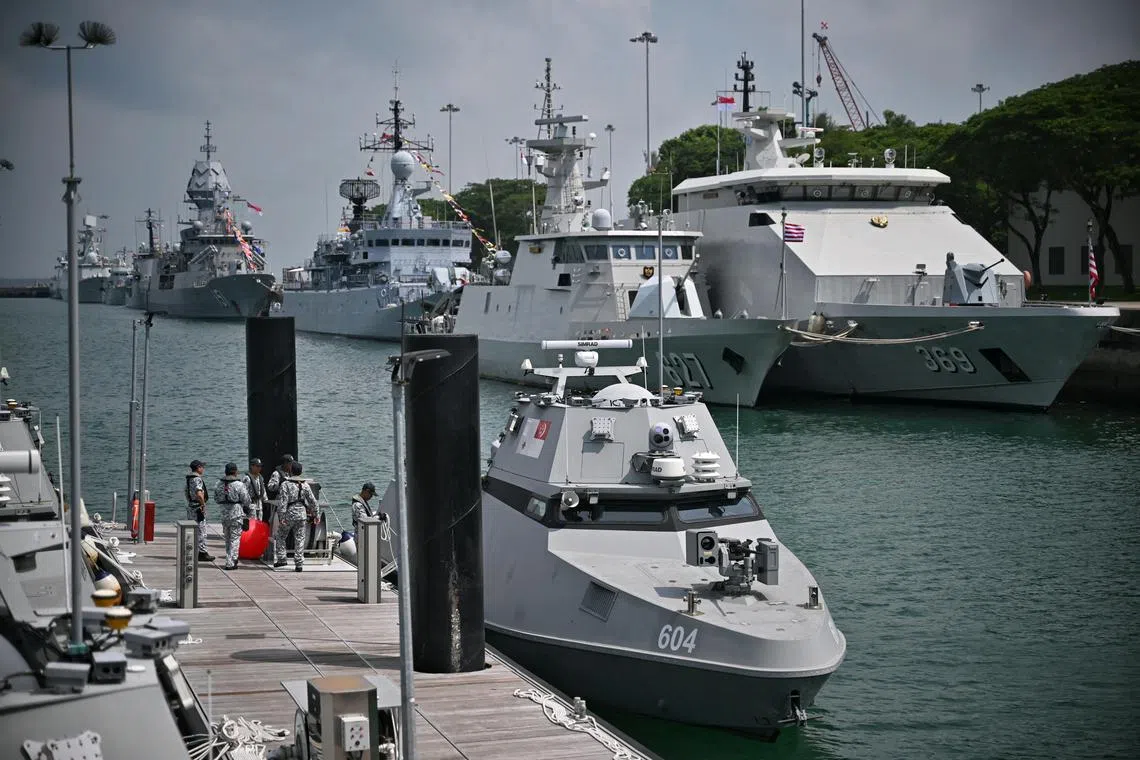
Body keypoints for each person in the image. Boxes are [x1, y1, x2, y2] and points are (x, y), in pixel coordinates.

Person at [274, 461, 317, 572]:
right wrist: (316, 514)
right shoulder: (305, 485)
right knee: (300, 538)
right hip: (302, 514)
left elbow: (283, 502)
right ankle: (299, 564)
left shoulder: (285, 484)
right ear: (301, 472)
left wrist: (281, 517)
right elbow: (313, 501)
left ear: (291, 471)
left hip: (289, 514)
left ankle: (282, 559)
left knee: (280, 536)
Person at [214, 463, 252, 570]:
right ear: (235, 472)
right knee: (235, 538)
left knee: (227, 538)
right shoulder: (239, 484)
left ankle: (229, 558)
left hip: (224, 513)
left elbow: (216, 499)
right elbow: (246, 500)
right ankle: (231, 561)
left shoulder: (218, 484)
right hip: (236, 514)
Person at [185, 460, 214, 561]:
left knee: (192, 529)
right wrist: (203, 505)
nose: (203, 469)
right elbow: (199, 493)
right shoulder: (197, 479)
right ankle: (202, 553)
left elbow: (186, 492)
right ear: (198, 468)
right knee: (202, 531)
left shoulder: (189, 478)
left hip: (191, 506)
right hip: (197, 507)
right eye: (202, 467)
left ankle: (191, 551)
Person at [241, 457, 267, 521]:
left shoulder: (260, 477)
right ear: (252, 466)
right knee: (252, 522)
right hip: (251, 505)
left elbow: (263, 490)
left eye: (260, 466)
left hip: (259, 504)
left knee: (259, 521)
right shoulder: (247, 478)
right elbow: (243, 492)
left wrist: (265, 500)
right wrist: (245, 505)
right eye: (257, 466)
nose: (259, 468)